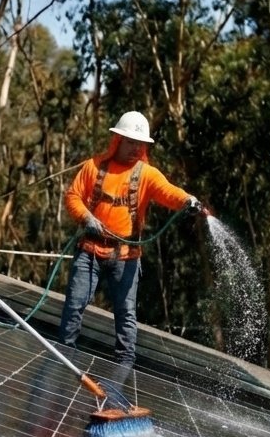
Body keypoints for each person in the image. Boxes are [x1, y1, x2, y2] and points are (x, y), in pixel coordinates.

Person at [59, 111, 203, 366]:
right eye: (130, 142)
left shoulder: (146, 174)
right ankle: (64, 356)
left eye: (140, 143)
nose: (135, 148)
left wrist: (187, 200)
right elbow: (73, 196)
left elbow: (169, 192)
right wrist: (86, 218)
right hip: (90, 249)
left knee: (125, 314)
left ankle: (125, 366)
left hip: (126, 256)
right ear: (117, 140)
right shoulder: (94, 166)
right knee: (75, 303)